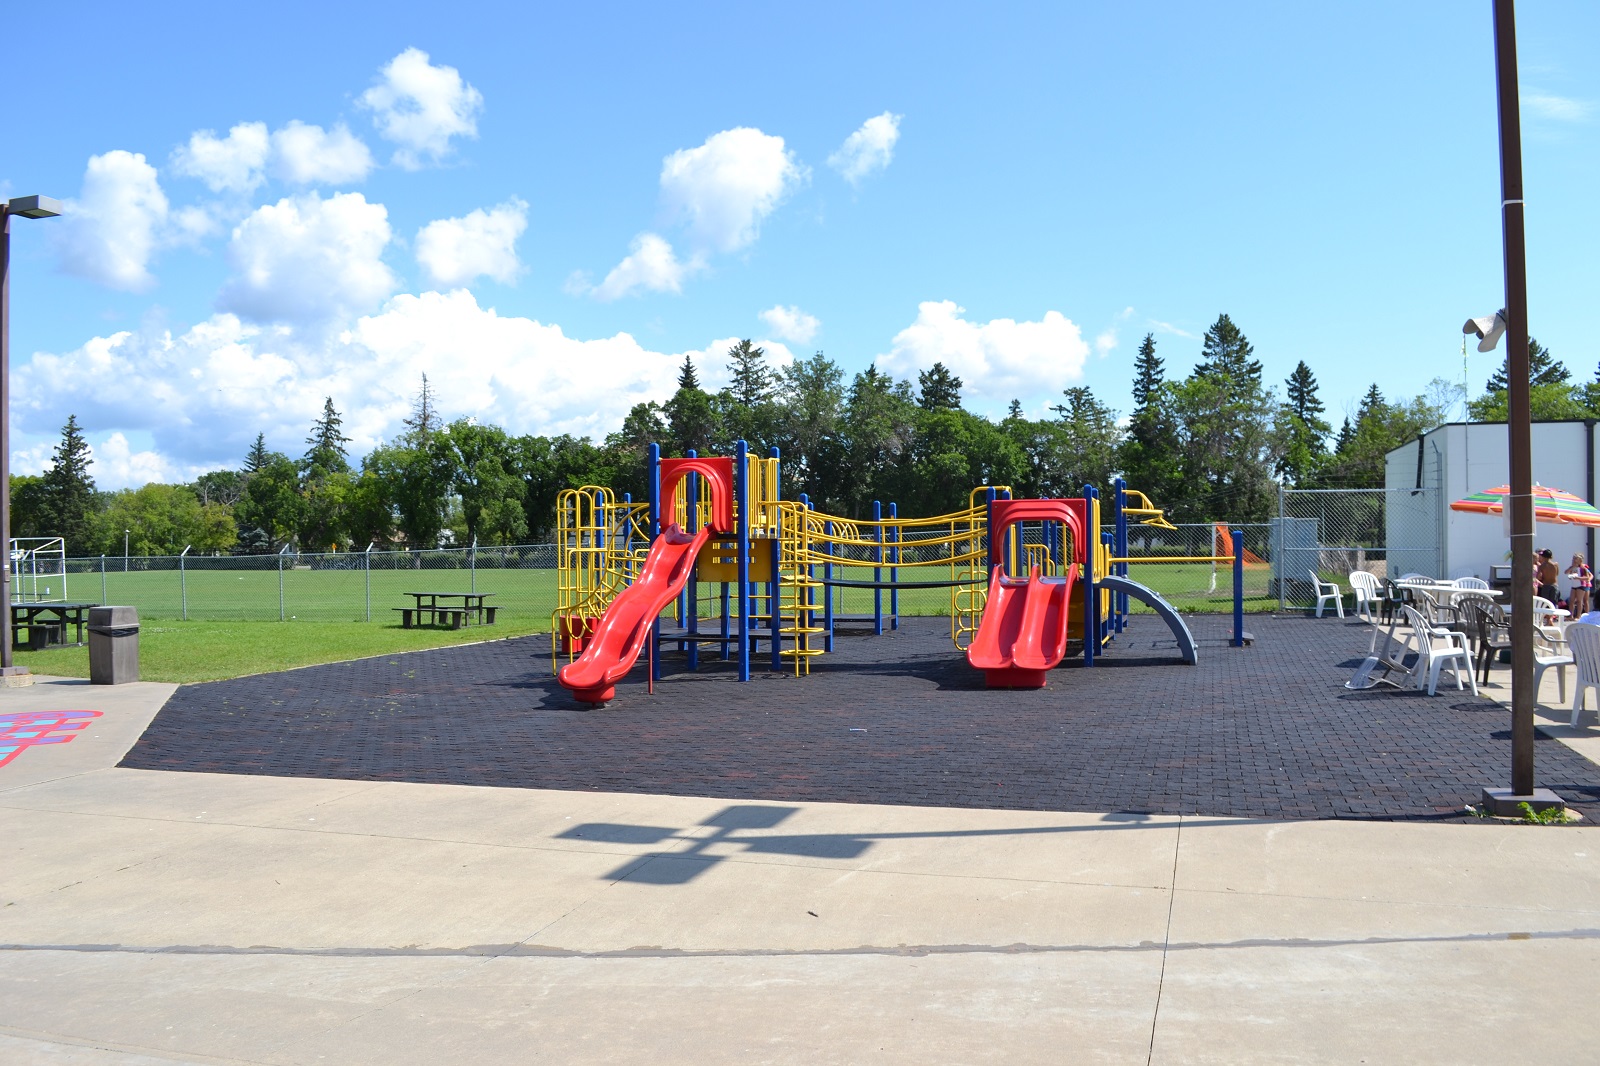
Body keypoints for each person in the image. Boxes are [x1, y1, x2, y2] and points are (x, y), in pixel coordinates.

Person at [1568, 553, 1593, 617]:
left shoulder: (1584, 567)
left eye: (1576, 558)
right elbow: (1567, 572)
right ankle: (1571, 615)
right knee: (1573, 600)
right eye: (1574, 558)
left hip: (1585, 585)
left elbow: (1590, 575)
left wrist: (1588, 580)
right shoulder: (1573, 567)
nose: (1574, 560)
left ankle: (1585, 615)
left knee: (1585, 600)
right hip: (1576, 585)